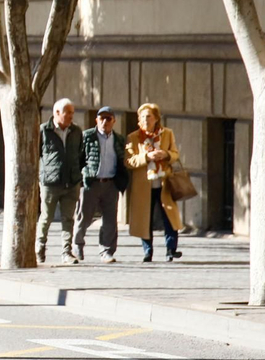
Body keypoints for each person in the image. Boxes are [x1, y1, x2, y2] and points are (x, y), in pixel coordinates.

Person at [126, 102, 183, 263]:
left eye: (149, 116)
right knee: (145, 219)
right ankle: (147, 251)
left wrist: (165, 154)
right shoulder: (133, 137)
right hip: (144, 185)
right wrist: (146, 157)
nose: (145, 120)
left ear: (156, 118)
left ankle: (171, 250)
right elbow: (129, 161)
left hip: (164, 183)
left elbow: (175, 154)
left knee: (169, 217)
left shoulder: (167, 134)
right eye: (142, 117)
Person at [75, 106, 129, 263]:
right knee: (84, 217)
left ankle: (106, 251)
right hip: (91, 182)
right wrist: (81, 178)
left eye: (108, 118)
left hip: (111, 183)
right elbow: (79, 159)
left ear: (114, 121)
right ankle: (77, 245)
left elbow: (122, 160)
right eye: (102, 118)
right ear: (96, 120)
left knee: (110, 220)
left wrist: (121, 181)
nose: (105, 121)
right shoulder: (87, 136)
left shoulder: (119, 139)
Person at [37, 98, 84, 265]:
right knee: (46, 217)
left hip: (71, 182)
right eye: (68, 112)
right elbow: (36, 155)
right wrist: (42, 176)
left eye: (72, 112)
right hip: (50, 182)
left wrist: (78, 175)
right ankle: (40, 248)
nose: (71, 116)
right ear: (57, 113)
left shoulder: (76, 131)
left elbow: (81, 154)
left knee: (68, 219)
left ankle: (66, 251)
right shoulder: (44, 130)